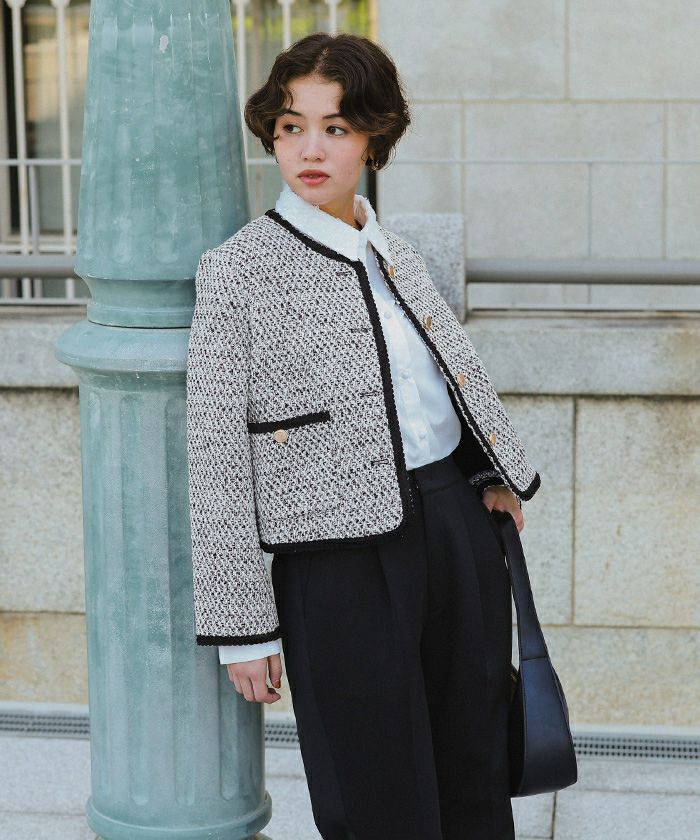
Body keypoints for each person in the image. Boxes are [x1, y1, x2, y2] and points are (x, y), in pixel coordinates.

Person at [186, 31, 541, 840]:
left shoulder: (394, 252)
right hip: (335, 562)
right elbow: (214, 456)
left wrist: (488, 476)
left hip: (453, 528)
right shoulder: (237, 270)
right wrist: (243, 627)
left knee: (475, 768)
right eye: (292, 127)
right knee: (375, 790)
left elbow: (441, 383)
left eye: (336, 128)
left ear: (374, 137)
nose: (310, 149)